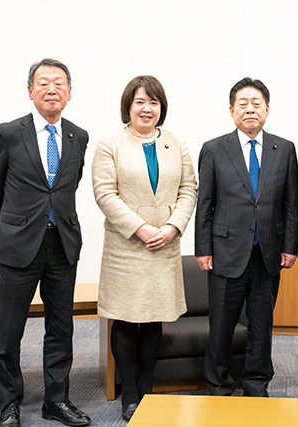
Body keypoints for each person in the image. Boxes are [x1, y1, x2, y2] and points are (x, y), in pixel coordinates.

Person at [0, 58, 91, 427]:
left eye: (59, 84)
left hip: (62, 244)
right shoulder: (9, 133)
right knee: (10, 331)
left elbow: (67, 187)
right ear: (30, 91)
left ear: (69, 93)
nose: (51, 90)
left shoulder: (79, 136)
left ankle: (56, 401)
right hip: (18, 247)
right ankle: (9, 404)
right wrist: (9, 232)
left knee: (61, 328)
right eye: (43, 83)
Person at [92, 75, 197, 421]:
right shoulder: (111, 143)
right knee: (124, 319)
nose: (147, 108)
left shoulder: (176, 143)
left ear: (161, 107)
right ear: (128, 106)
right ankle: (130, 393)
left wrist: (171, 228)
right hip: (126, 247)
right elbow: (105, 193)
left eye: (153, 102)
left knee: (154, 319)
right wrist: (140, 229)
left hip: (164, 244)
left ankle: (147, 387)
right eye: (140, 102)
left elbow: (189, 190)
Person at [195, 77, 298, 397]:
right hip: (225, 252)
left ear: (267, 109)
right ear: (231, 110)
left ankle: (256, 383)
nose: (250, 109)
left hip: (268, 253)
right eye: (243, 104)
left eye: (257, 104)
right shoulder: (214, 149)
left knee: (261, 325)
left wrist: (289, 245)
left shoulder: (284, 149)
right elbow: (205, 204)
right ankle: (219, 383)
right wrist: (203, 249)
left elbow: (292, 203)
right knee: (222, 327)